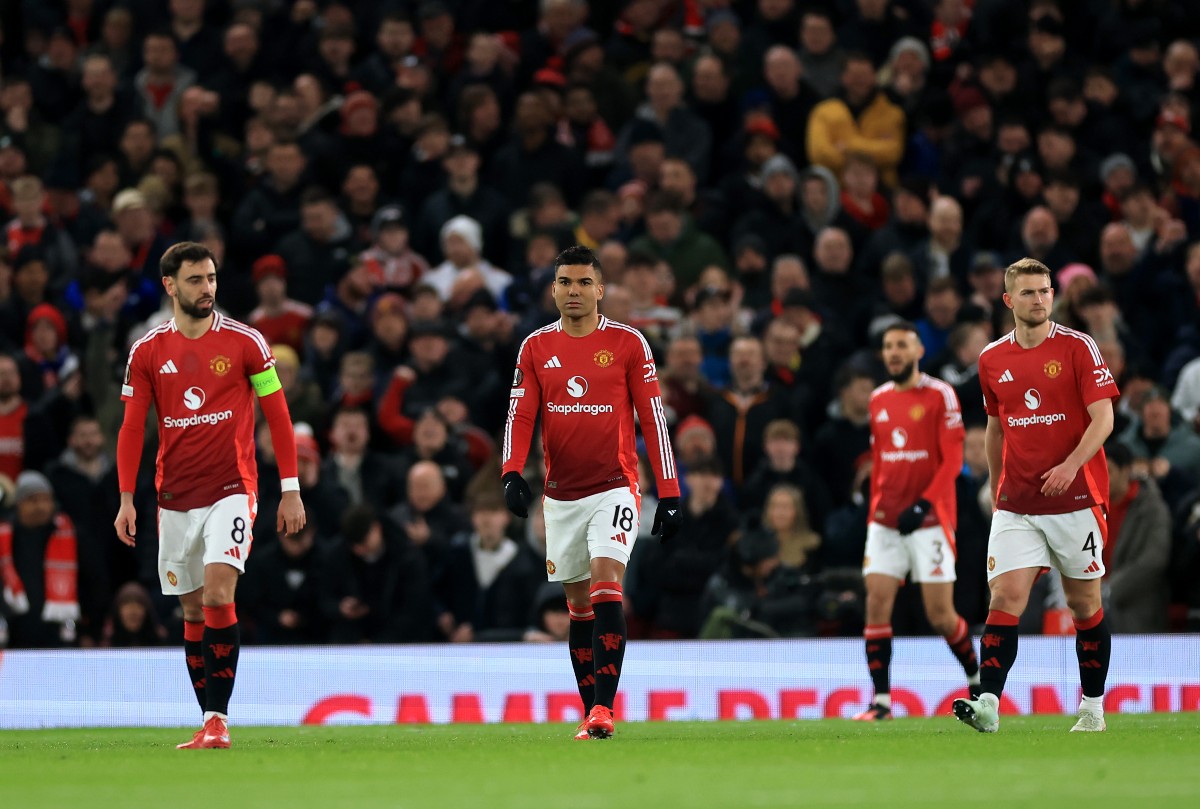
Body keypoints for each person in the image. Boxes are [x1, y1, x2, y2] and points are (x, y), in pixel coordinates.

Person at [113, 242, 306, 750]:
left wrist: (290, 489)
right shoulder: (148, 351)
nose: (208, 289)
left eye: (213, 278)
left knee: (220, 594)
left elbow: (279, 415)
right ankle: (207, 719)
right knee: (193, 611)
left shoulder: (247, 344)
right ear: (171, 286)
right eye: (196, 280)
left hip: (232, 490)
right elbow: (133, 428)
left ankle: (219, 720)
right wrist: (126, 499)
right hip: (174, 497)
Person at [501, 245, 681, 740]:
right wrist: (512, 472)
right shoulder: (535, 347)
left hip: (615, 489)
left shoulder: (628, 344)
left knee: (606, 587)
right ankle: (591, 715)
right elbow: (520, 414)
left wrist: (669, 492)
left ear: (600, 290)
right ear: (553, 289)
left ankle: (604, 709)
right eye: (565, 282)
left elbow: (653, 420)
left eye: (583, 283)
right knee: (578, 607)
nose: (574, 291)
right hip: (560, 496)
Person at [955, 258, 1118, 734]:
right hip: (1018, 503)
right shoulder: (991, 359)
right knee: (1004, 596)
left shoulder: (1077, 347)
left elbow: (1103, 418)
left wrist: (1071, 465)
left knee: (1083, 603)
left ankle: (1092, 706)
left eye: (1045, 291)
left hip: (1076, 500)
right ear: (1008, 300)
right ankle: (988, 702)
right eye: (1028, 293)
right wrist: (996, 485)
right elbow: (995, 428)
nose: (1039, 299)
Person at [853, 322, 981, 722]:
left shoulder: (940, 395)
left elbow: (952, 462)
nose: (893, 353)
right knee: (876, 602)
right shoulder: (877, 400)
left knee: (940, 615)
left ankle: (978, 684)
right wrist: (875, 503)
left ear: (919, 350)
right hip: (886, 521)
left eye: (902, 346)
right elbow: (882, 461)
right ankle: (882, 703)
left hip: (929, 521)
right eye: (888, 346)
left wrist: (922, 506)